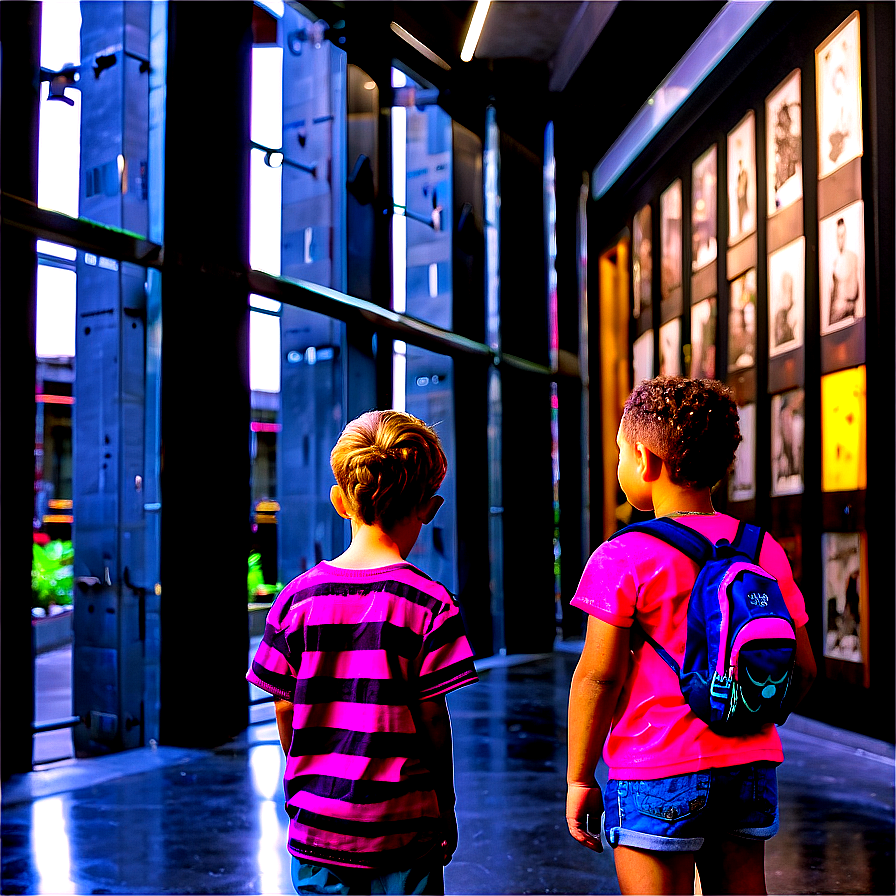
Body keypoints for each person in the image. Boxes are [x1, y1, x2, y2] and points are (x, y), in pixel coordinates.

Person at [566, 376, 816, 896]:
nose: (618, 467)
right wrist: (744, 712)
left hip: (655, 766)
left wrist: (580, 778)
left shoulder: (622, 555)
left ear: (645, 459)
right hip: (750, 762)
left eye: (619, 454)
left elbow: (598, 676)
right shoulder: (761, 548)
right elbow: (804, 667)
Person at [248, 409, 478, 896]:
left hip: (318, 827)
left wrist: (312, 774)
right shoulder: (430, 603)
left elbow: (286, 707)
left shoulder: (296, 599)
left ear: (340, 501)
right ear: (427, 507)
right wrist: (445, 804)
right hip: (405, 827)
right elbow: (433, 719)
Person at [829, 217, 859, 325]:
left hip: (846, 312)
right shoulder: (835, 262)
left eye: (842, 236)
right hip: (835, 314)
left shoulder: (851, 258)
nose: (840, 240)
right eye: (838, 236)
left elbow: (853, 292)